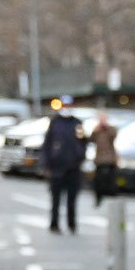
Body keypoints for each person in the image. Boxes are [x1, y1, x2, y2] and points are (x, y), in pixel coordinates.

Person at [39, 97, 85, 234]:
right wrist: (47, 163)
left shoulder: (77, 123)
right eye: (64, 105)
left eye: (68, 105)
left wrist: (80, 155)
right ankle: (54, 224)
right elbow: (47, 144)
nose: (66, 108)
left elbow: (83, 141)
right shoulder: (55, 122)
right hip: (57, 167)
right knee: (56, 199)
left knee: (72, 199)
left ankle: (72, 224)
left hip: (73, 167)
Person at [88, 112, 119, 206]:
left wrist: (106, 127)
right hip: (99, 160)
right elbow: (91, 139)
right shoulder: (97, 131)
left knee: (110, 182)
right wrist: (96, 129)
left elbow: (114, 135)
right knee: (99, 182)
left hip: (110, 159)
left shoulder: (111, 129)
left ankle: (111, 200)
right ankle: (98, 199)